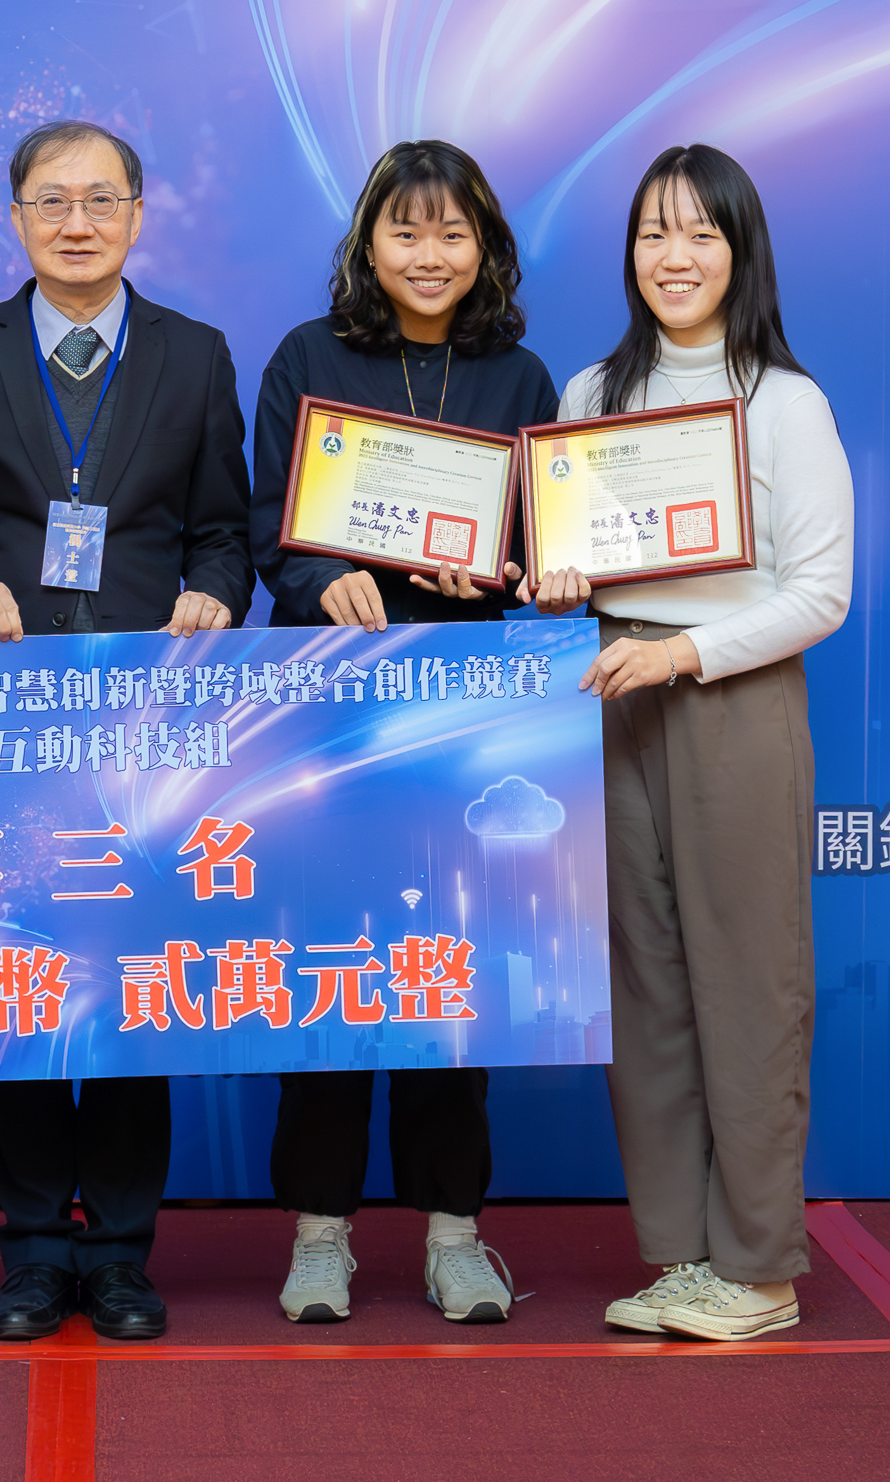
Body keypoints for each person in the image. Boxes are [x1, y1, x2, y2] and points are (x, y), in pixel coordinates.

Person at [0, 119, 252, 1344]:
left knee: (132, 984)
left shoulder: (196, 354)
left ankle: (126, 1254)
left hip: (149, 730)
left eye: (102, 199)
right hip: (8, 721)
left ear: (138, 214)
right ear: (17, 217)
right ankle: (38, 1250)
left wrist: (217, 594)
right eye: (52, 200)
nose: (77, 221)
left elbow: (225, 531)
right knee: (23, 980)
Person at [533, 145, 851, 1345]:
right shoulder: (590, 392)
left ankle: (759, 1269)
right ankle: (682, 1253)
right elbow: (579, 562)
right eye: (653, 233)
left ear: (740, 250)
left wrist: (682, 653)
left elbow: (821, 593)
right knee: (644, 987)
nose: (674, 256)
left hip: (731, 697)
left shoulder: (784, 400)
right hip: (612, 695)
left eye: (700, 233)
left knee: (748, 978)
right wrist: (559, 584)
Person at [248, 140, 558, 1326]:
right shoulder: (308, 357)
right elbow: (266, 524)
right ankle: (319, 1233)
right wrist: (317, 574)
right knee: (328, 970)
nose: (429, 255)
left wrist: (508, 569)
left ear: (486, 248)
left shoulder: (519, 376)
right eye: (406, 231)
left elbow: (535, 545)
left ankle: (454, 1233)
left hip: (462, 721)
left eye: (452, 233)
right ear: (367, 243)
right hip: (328, 712)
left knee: (450, 971)